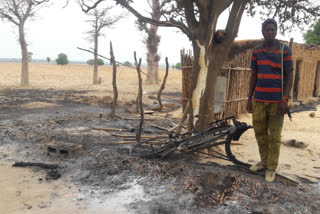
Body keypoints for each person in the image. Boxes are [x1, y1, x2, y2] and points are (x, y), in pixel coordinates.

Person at [246, 19, 294, 182]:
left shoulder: (284, 51)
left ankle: (271, 167)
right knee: (260, 133)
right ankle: (264, 161)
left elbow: (290, 75)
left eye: (273, 30)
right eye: (267, 30)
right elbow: (253, 76)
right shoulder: (257, 52)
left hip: (277, 102)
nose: (270, 33)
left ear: (276, 31)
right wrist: (249, 99)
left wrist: (285, 99)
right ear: (263, 32)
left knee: (274, 136)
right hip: (259, 99)